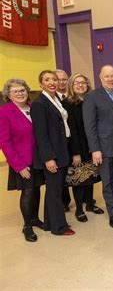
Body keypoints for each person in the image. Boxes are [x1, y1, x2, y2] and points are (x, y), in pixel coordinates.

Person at [83, 65, 113, 229]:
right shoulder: (92, 97)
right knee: (109, 181)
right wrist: (95, 149)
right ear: (100, 77)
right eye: (107, 76)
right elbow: (90, 126)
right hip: (104, 147)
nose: (110, 79)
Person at [31, 70, 75, 236]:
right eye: (47, 80)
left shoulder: (56, 99)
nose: (52, 82)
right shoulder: (39, 104)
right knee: (55, 192)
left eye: (54, 79)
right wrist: (49, 159)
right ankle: (59, 227)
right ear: (40, 83)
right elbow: (41, 134)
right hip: (52, 155)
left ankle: (50, 223)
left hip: (61, 151)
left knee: (53, 190)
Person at [0, 79, 44, 241]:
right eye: (16, 91)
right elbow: (4, 142)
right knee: (28, 191)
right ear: (9, 95)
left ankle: (35, 219)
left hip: (38, 159)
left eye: (23, 90)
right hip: (21, 161)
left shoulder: (33, 109)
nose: (20, 94)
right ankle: (27, 226)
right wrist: (19, 166)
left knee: (37, 188)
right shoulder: (5, 112)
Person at [62, 73, 104, 223]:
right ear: (71, 86)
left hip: (91, 146)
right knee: (78, 180)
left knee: (90, 177)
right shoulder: (67, 103)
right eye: (76, 83)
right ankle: (79, 209)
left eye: (83, 83)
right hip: (77, 147)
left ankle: (90, 204)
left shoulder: (90, 101)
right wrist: (76, 153)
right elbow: (72, 130)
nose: (80, 85)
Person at [56, 69, 72, 210]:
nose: (61, 82)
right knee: (61, 173)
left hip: (72, 141)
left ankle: (85, 200)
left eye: (64, 79)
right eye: (58, 79)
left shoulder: (72, 96)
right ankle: (64, 201)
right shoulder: (51, 99)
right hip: (59, 142)